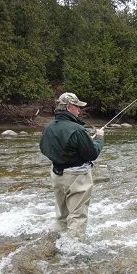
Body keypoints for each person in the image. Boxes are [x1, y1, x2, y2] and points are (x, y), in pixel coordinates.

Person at [40, 92, 104, 241]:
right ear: (69, 107)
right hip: (77, 177)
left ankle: (58, 239)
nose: (79, 111)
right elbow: (92, 154)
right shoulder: (77, 130)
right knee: (77, 214)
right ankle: (74, 251)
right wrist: (99, 138)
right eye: (77, 107)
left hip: (56, 174)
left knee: (62, 212)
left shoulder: (49, 127)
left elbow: (44, 148)